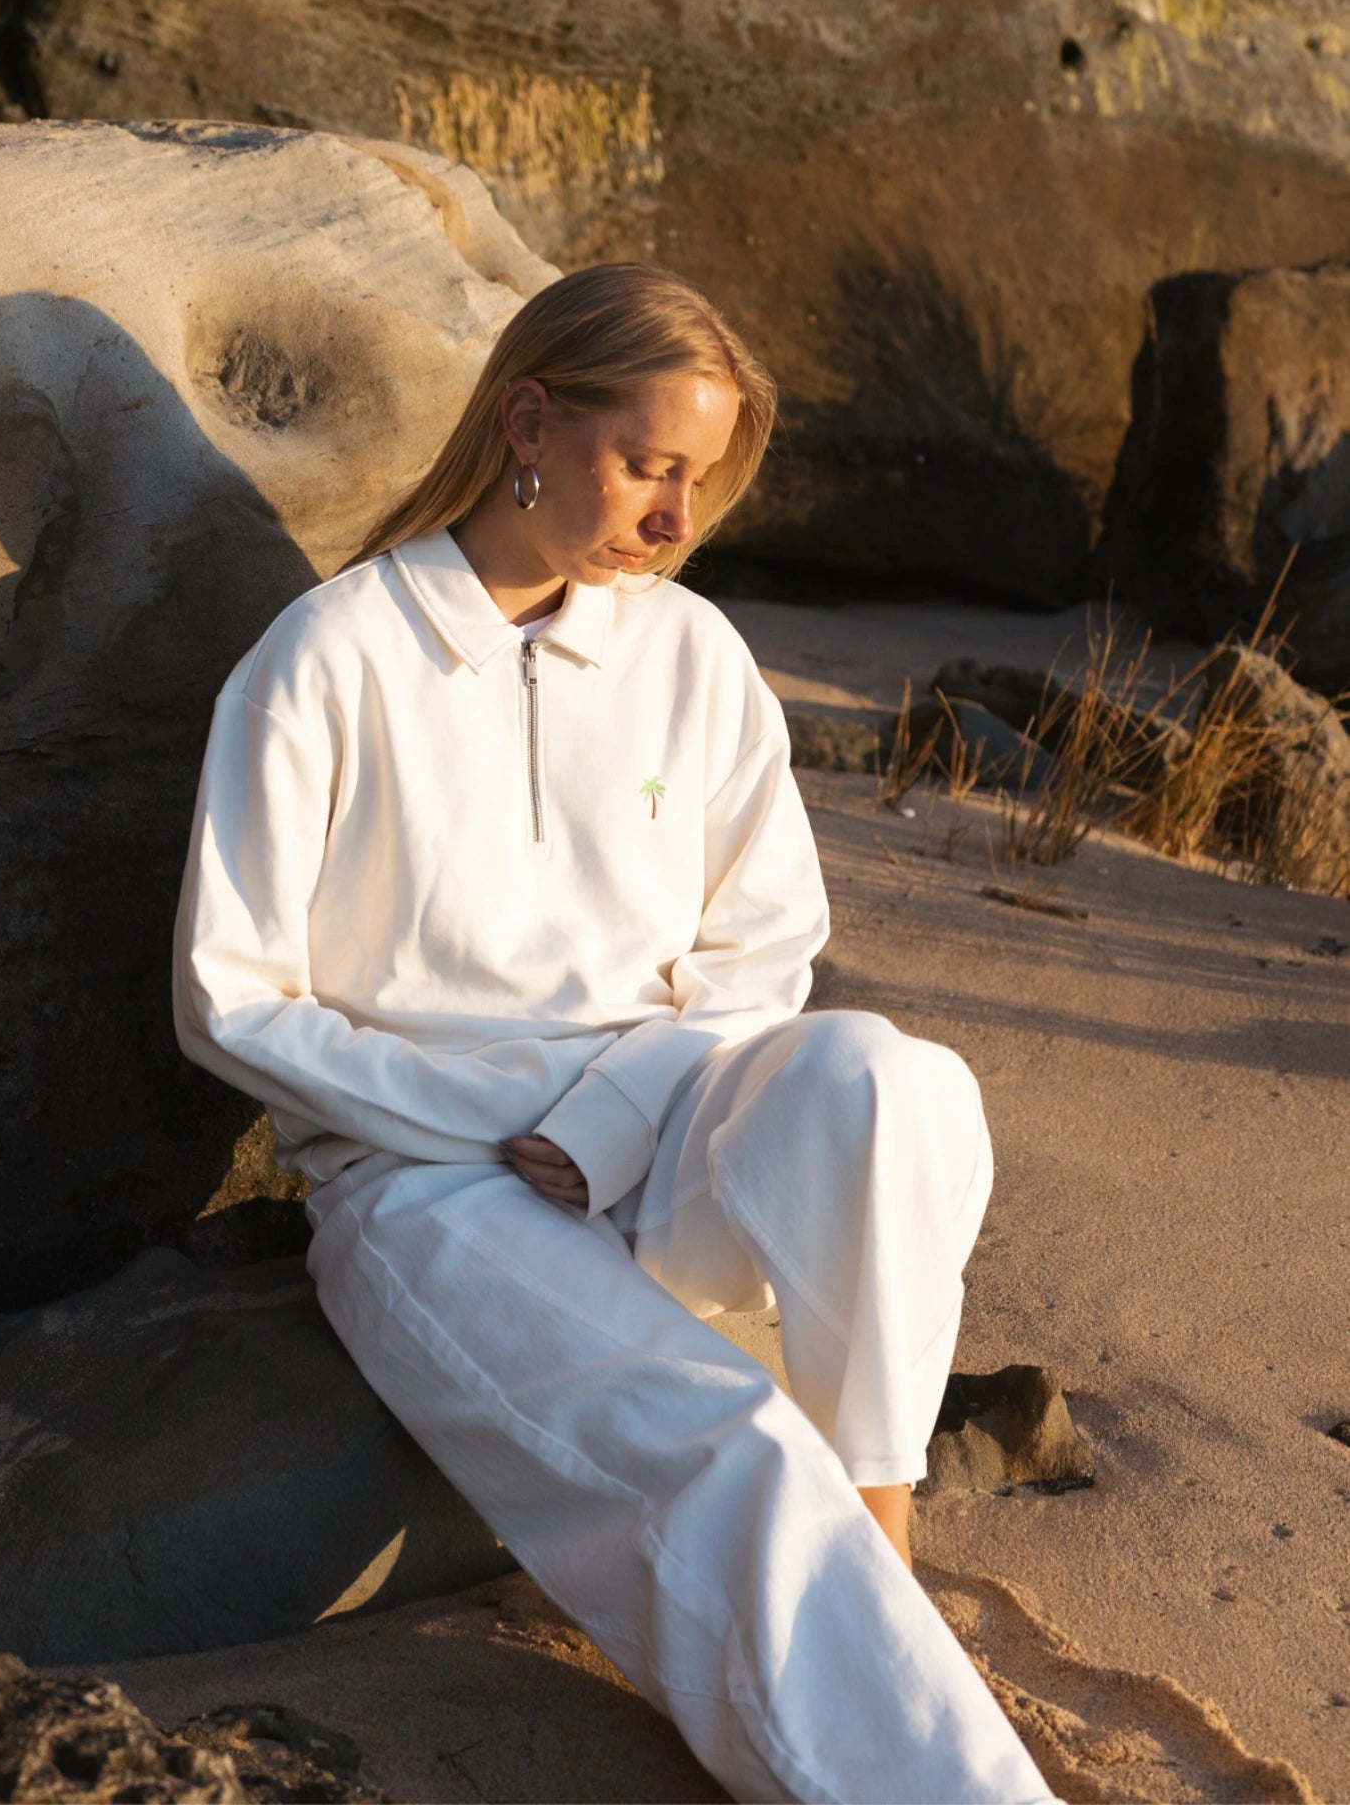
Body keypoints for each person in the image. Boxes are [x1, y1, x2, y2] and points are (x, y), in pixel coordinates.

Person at [172, 262, 1058, 1804]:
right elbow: (230, 993)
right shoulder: (330, 659)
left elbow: (762, 946)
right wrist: (491, 1117)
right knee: (728, 1452)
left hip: (666, 1130)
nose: (678, 518)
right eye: (650, 464)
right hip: (427, 1184)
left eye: (700, 478)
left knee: (887, 1083)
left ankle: (881, 1517)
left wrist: (607, 1117)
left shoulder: (691, 656)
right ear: (528, 419)